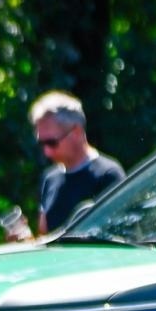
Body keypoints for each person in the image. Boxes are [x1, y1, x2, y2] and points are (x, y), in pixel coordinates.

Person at [28, 90, 124, 236]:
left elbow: (120, 235)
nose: (46, 152)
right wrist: (26, 240)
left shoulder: (108, 175)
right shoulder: (49, 178)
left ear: (77, 132)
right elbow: (45, 236)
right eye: (42, 143)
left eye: (52, 142)